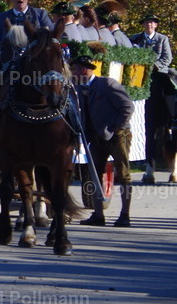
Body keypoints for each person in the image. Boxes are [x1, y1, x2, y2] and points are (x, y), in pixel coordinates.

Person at [71, 54, 135, 227]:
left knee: (123, 175)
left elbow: (128, 106)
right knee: (95, 175)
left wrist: (117, 127)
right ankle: (98, 215)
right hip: (96, 138)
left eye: (74, 69)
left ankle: (125, 215)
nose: (72, 72)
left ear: (84, 70)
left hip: (117, 136)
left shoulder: (106, 84)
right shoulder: (77, 88)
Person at [130, 13, 175, 182]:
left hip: (158, 74)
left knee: (170, 88)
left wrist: (154, 66)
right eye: (147, 22)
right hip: (140, 76)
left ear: (156, 25)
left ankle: (172, 116)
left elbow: (167, 58)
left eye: (152, 22)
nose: (149, 25)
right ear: (143, 24)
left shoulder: (162, 39)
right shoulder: (135, 39)